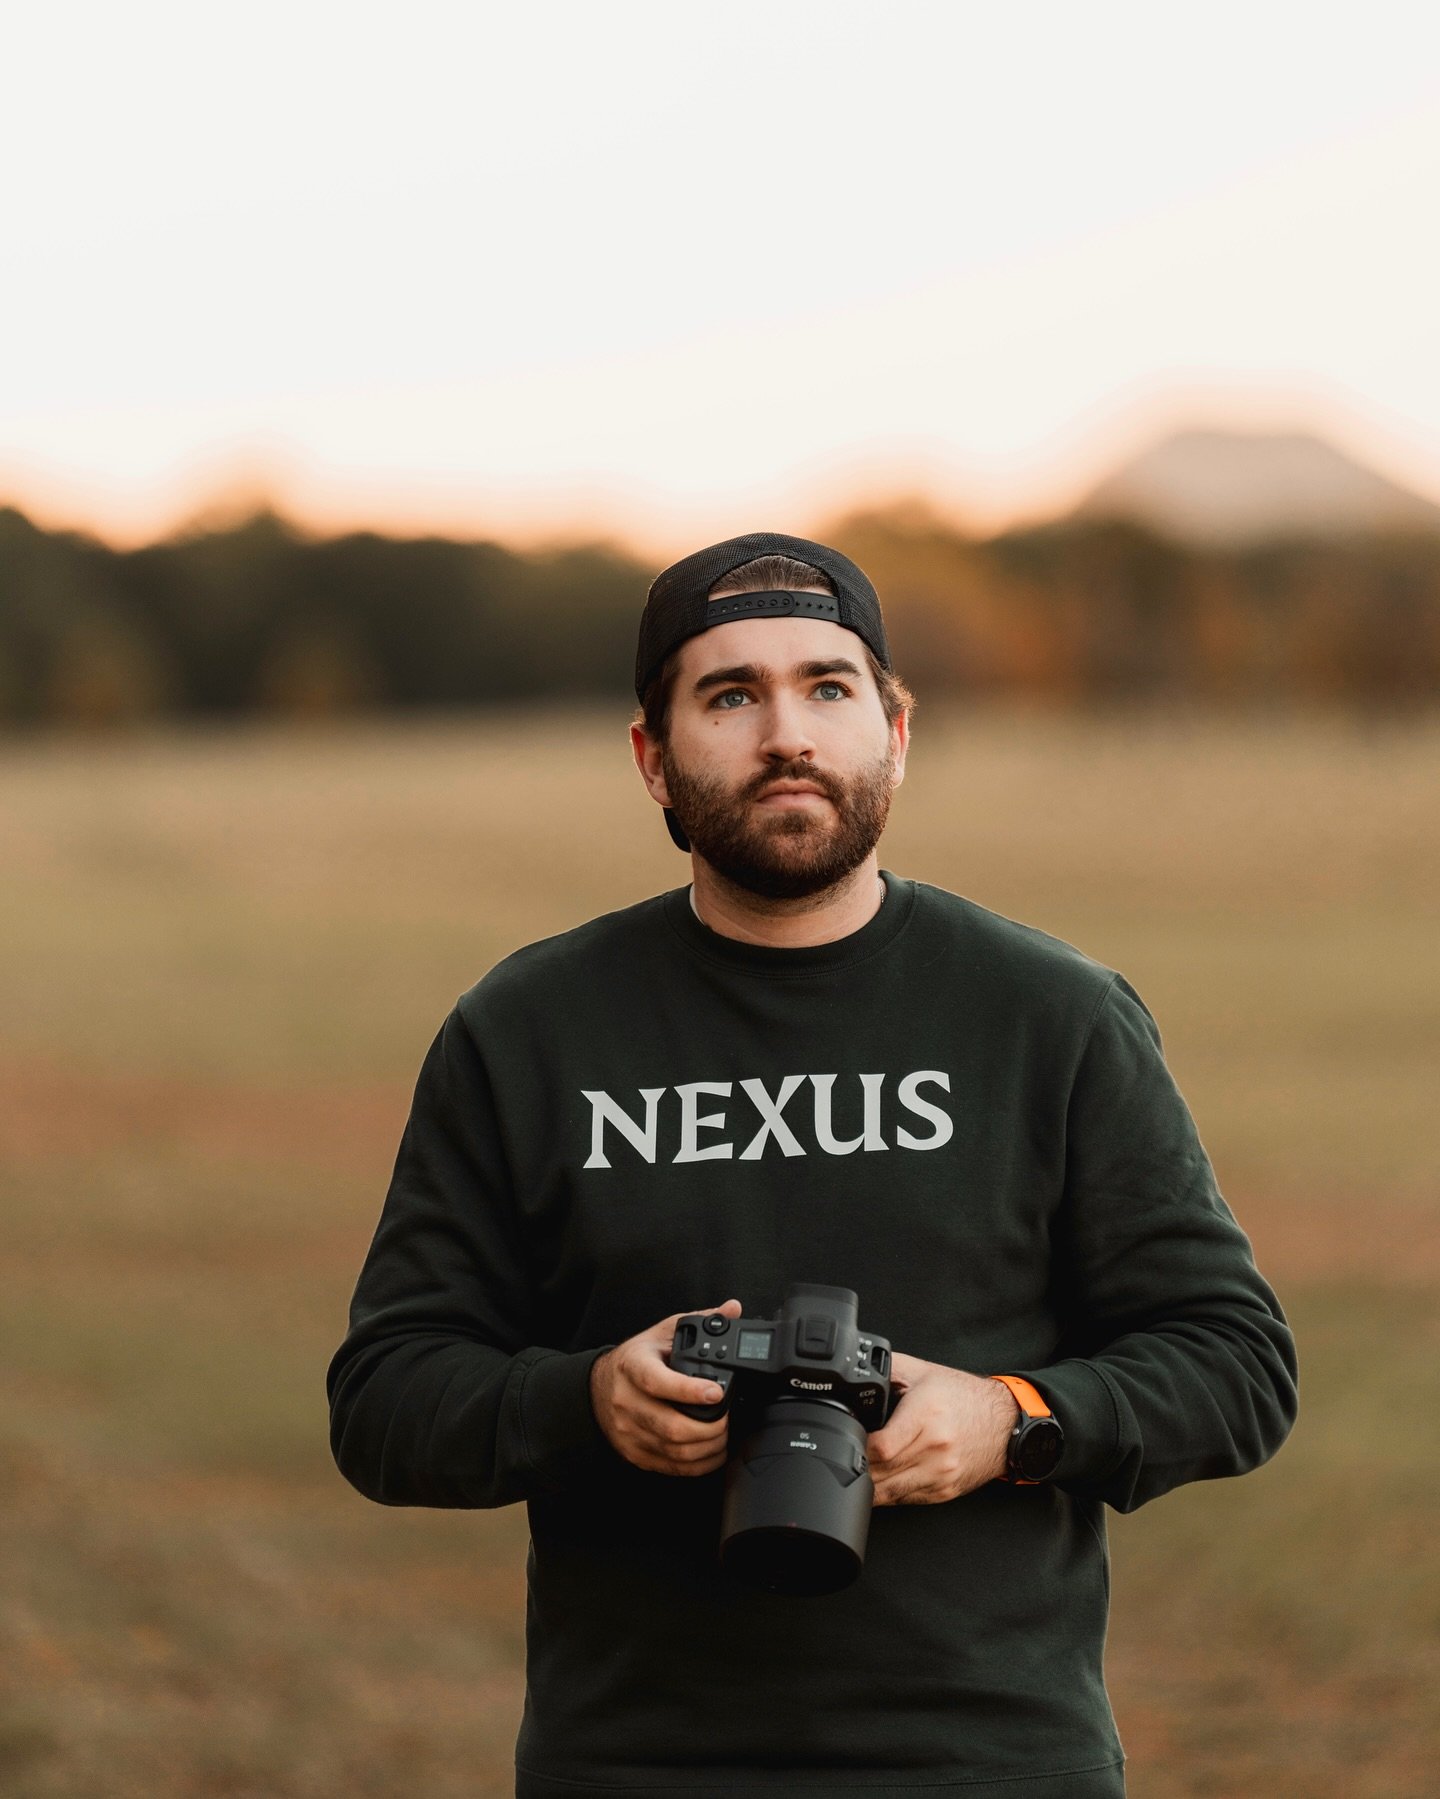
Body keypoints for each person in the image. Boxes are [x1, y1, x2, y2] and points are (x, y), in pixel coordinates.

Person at [326, 530, 1298, 1799]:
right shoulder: (527, 1031)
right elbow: (385, 1399)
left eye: (828, 686)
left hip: (990, 1762)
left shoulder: (1049, 1015)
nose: (787, 731)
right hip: (635, 1762)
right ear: (652, 757)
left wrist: (1011, 1422)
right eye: (730, 694)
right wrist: (589, 1403)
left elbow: (1237, 1362)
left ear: (895, 730)